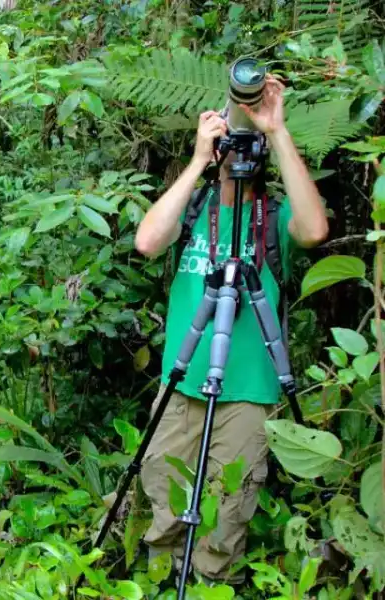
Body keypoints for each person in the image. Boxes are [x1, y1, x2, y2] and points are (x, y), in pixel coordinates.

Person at [133, 74, 329, 583]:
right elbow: (148, 242)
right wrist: (199, 160)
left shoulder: (274, 216)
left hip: (248, 391)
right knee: (162, 490)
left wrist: (278, 130)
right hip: (182, 384)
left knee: (227, 511)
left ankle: (209, 587)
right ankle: (159, 579)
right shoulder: (195, 210)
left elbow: (314, 231)